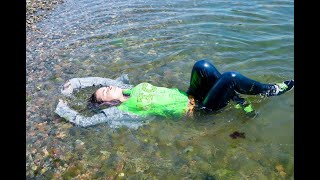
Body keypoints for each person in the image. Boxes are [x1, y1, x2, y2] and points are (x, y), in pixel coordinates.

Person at [88, 59, 294, 118]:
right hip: (200, 110)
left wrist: (75, 83)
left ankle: (236, 99)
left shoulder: (130, 89)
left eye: (105, 87)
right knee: (230, 77)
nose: (108, 86)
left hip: (190, 94)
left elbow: (96, 79)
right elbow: (88, 120)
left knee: (201, 66)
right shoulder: (123, 110)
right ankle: (269, 91)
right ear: (107, 103)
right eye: (105, 91)